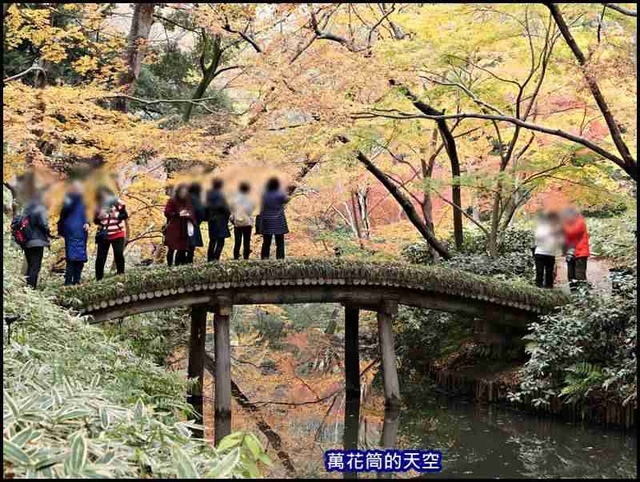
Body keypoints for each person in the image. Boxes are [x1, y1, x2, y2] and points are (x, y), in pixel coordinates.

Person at [58, 180, 89, 285]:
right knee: (71, 258)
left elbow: (88, 214)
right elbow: (63, 215)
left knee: (80, 258)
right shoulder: (68, 199)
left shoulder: (85, 201)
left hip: (81, 231)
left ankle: (76, 280)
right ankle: (68, 282)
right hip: (71, 231)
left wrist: (88, 222)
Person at [94, 186, 128, 281]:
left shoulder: (118, 202)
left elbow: (125, 215)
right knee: (100, 257)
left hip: (118, 233)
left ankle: (121, 274)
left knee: (118, 254)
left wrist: (116, 215)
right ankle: (99, 278)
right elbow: (95, 221)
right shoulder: (97, 205)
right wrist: (99, 217)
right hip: (104, 234)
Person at [20, 190, 52, 288]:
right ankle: (31, 288)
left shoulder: (26, 208)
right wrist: (50, 233)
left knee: (30, 265)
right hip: (37, 242)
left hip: (27, 241)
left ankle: (27, 288)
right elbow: (43, 224)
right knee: (35, 266)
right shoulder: (40, 207)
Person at [259, 177, 293, 260]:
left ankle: (264, 258)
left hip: (267, 220)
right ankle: (280, 259)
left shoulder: (263, 195)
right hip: (278, 220)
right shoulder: (280, 194)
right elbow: (288, 199)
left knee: (266, 242)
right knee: (280, 242)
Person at [164, 183, 196, 266]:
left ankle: (178, 265)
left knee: (182, 248)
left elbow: (192, 212)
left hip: (183, 227)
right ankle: (170, 265)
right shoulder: (172, 200)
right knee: (171, 248)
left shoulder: (187, 201)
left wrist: (189, 215)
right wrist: (178, 214)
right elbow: (167, 212)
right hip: (173, 227)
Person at [562, 207, 590, 290]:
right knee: (571, 275)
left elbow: (572, 233)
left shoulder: (579, 222)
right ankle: (574, 295)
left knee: (579, 275)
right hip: (571, 253)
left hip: (580, 253)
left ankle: (583, 297)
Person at [532, 211, 563, 288]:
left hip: (543, 253)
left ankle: (540, 288)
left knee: (541, 272)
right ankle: (546, 288)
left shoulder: (541, 229)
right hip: (545, 253)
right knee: (547, 273)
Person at [206, 178, 231, 261]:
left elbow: (205, 207)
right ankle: (216, 258)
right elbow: (225, 208)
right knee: (221, 240)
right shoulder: (222, 194)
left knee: (212, 240)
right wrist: (227, 216)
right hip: (221, 219)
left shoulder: (208, 194)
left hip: (211, 219)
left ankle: (209, 259)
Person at [230, 181, 255, 260]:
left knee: (237, 242)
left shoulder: (235, 199)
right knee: (246, 242)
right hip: (247, 223)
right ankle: (246, 258)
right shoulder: (250, 199)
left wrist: (233, 220)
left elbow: (232, 212)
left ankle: (236, 258)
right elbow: (251, 210)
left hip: (237, 223)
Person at [186, 182, 205, 264]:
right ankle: (189, 261)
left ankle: (179, 261)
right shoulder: (197, 199)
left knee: (182, 244)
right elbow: (201, 212)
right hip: (193, 223)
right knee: (191, 244)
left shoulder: (185, 198)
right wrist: (198, 221)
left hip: (183, 223)